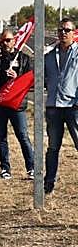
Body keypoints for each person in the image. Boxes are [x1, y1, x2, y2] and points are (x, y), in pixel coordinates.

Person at [0, 29, 34, 180]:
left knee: (22, 136)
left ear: (14, 41)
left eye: (8, 40)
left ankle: (32, 168)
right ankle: (5, 168)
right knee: (1, 137)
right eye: (2, 41)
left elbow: (31, 79)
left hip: (16, 104)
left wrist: (17, 76)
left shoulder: (24, 58)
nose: (5, 44)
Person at [43, 18, 78, 195]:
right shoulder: (49, 55)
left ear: (74, 32)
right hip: (54, 106)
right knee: (53, 146)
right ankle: (49, 182)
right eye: (60, 30)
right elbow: (38, 76)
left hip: (73, 107)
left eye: (66, 30)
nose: (63, 33)